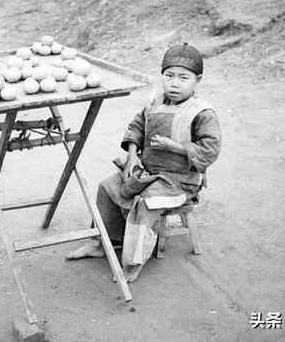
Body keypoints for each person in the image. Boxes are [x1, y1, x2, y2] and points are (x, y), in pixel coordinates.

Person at [66, 43, 222, 282]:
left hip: (179, 181)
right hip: (147, 171)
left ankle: (132, 263)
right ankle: (102, 243)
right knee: (107, 188)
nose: (174, 83)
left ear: (197, 80)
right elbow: (137, 126)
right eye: (169, 76)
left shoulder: (202, 112)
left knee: (146, 204)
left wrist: (177, 148)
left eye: (183, 78)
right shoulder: (155, 102)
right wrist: (131, 156)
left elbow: (210, 149)